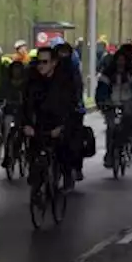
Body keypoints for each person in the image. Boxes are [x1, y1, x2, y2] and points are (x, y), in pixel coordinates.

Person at [21, 46, 79, 186]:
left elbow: (70, 106)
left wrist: (62, 126)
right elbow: (26, 104)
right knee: (33, 149)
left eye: (45, 62)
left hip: (59, 122)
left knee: (64, 147)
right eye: (39, 62)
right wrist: (26, 124)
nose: (41, 66)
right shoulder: (32, 80)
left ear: (54, 63)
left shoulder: (64, 81)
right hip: (40, 123)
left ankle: (66, 174)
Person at [95, 44, 132, 166]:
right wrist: (102, 100)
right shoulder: (108, 73)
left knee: (129, 116)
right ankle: (109, 153)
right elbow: (102, 88)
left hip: (127, 100)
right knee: (111, 127)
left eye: (123, 60)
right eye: (119, 60)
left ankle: (130, 138)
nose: (120, 63)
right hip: (111, 101)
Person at [53, 38, 87, 181]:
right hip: (51, 109)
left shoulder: (73, 71)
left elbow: (78, 89)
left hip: (70, 109)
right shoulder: (49, 70)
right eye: (60, 52)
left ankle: (75, 168)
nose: (63, 55)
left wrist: (77, 105)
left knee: (74, 139)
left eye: (65, 52)